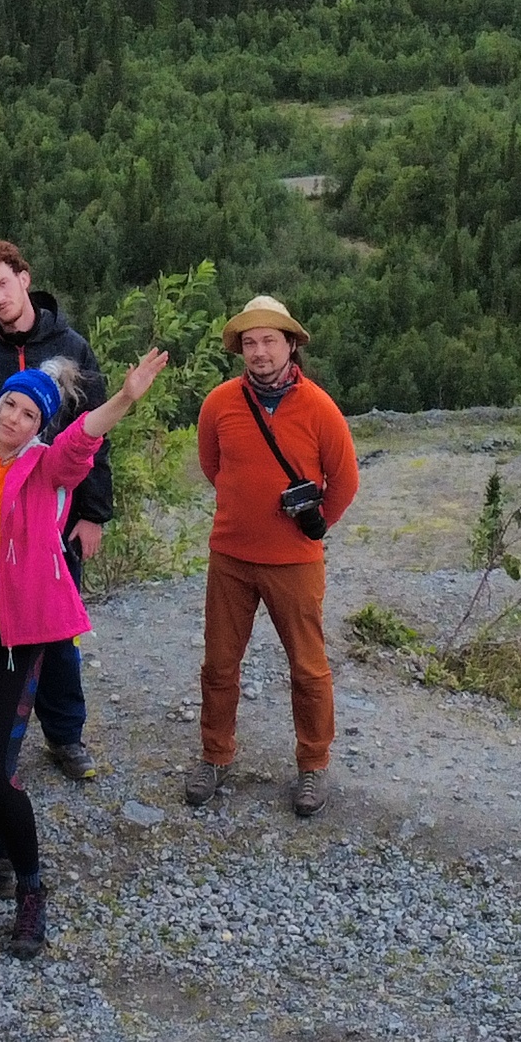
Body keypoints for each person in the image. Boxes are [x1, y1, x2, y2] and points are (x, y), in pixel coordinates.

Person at [0, 344, 173, 961]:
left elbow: (84, 439)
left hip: (14, 638)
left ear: (39, 425)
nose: (14, 419)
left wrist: (126, 399)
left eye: (29, 413)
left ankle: (30, 891)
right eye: (9, 404)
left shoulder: (47, 468)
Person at [0, 239, 115, 779]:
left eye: (3, 285)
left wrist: (93, 514)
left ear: (24, 277)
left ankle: (65, 736)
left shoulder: (72, 347)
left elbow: (97, 437)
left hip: (56, 521)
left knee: (55, 631)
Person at [181, 293, 361, 817]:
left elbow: (345, 481)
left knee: (308, 669)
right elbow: (213, 467)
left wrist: (315, 526)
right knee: (218, 664)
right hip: (230, 557)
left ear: (290, 345)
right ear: (241, 349)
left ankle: (313, 764)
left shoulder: (320, 407)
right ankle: (215, 755)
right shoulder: (218, 403)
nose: (259, 352)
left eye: (269, 341)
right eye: (250, 342)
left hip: (295, 561)